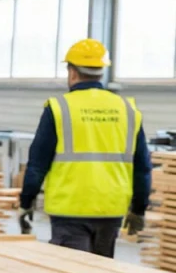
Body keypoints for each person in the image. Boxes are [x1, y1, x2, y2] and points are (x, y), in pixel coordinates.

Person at [18, 38, 151, 257]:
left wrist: (26, 202)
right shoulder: (127, 109)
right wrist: (139, 209)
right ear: (101, 72)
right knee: (100, 272)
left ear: (72, 72)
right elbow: (143, 167)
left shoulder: (59, 108)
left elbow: (37, 164)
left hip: (69, 209)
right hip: (110, 208)